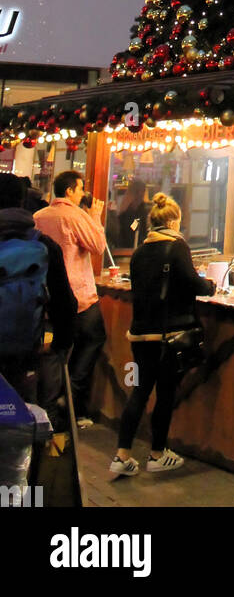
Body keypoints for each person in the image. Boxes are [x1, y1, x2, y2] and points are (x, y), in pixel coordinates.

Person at [111, 192, 216, 477]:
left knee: (141, 392)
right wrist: (210, 286)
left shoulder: (140, 251)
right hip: (169, 334)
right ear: (172, 220)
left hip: (140, 333)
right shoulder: (176, 246)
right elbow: (192, 282)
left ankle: (122, 454)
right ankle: (157, 453)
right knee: (165, 393)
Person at [0, 172, 77, 427]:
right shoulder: (43, 245)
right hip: (24, 355)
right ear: (22, 202)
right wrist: (59, 344)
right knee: (20, 422)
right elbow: (65, 304)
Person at [34, 169, 107, 428]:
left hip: (46, 298)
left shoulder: (38, 216)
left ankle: (50, 413)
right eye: (81, 188)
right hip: (78, 296)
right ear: (69, 191)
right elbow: (98, 246)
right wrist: (95, 217)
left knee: (53, 353)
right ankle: (71, 398)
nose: (84, 192)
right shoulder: (75, 216)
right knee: (93, 338)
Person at [115, 178, 148, 250]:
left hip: (136, 247)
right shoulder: (128, 211)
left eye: (143, 191)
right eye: (140, 191)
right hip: (126, 248)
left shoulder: (141, 209)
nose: (141, 194)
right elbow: (130, 231)